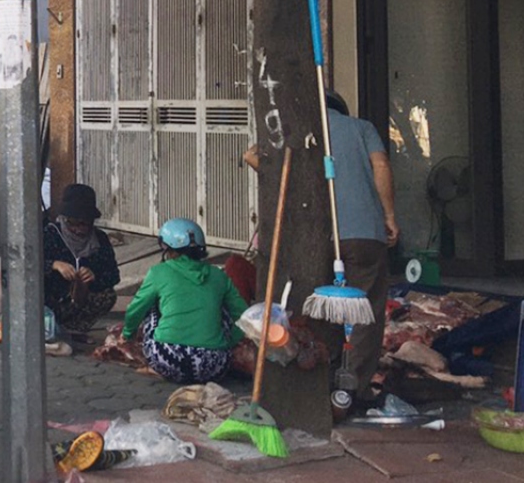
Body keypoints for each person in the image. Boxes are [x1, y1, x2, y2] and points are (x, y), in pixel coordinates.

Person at [244, 90, 395, 404]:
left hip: (311, 237)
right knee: (364, 309)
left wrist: (262, 167)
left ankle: (314, 378)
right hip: (363, 233)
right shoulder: (362, 128)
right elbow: (381, 166)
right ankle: (352, 390)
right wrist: (389, 215)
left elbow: (254, 157)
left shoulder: (296, 134)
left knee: (315, 307)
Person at [120, 218, 248, 385]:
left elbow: (136, 309)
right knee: (222, 308)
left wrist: (127, 335)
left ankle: (156, 369)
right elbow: (243, 315)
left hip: (167, 360)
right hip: (215, 365)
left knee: (151, 305)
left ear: (170, 250)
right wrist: (229, 342)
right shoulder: (219, 276)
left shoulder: (159, 272)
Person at [43, 184, 120, 341]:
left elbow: (113, 276)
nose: (78, 229)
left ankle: (74, 330)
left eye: (84, 224)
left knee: (108, 295)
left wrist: (94, 276)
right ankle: (49, 329)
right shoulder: (49, 234)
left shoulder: (100, 239)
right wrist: (54, 265)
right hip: (52, 300)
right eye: (72, 223)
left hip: (81, 302)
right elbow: (28, 267)